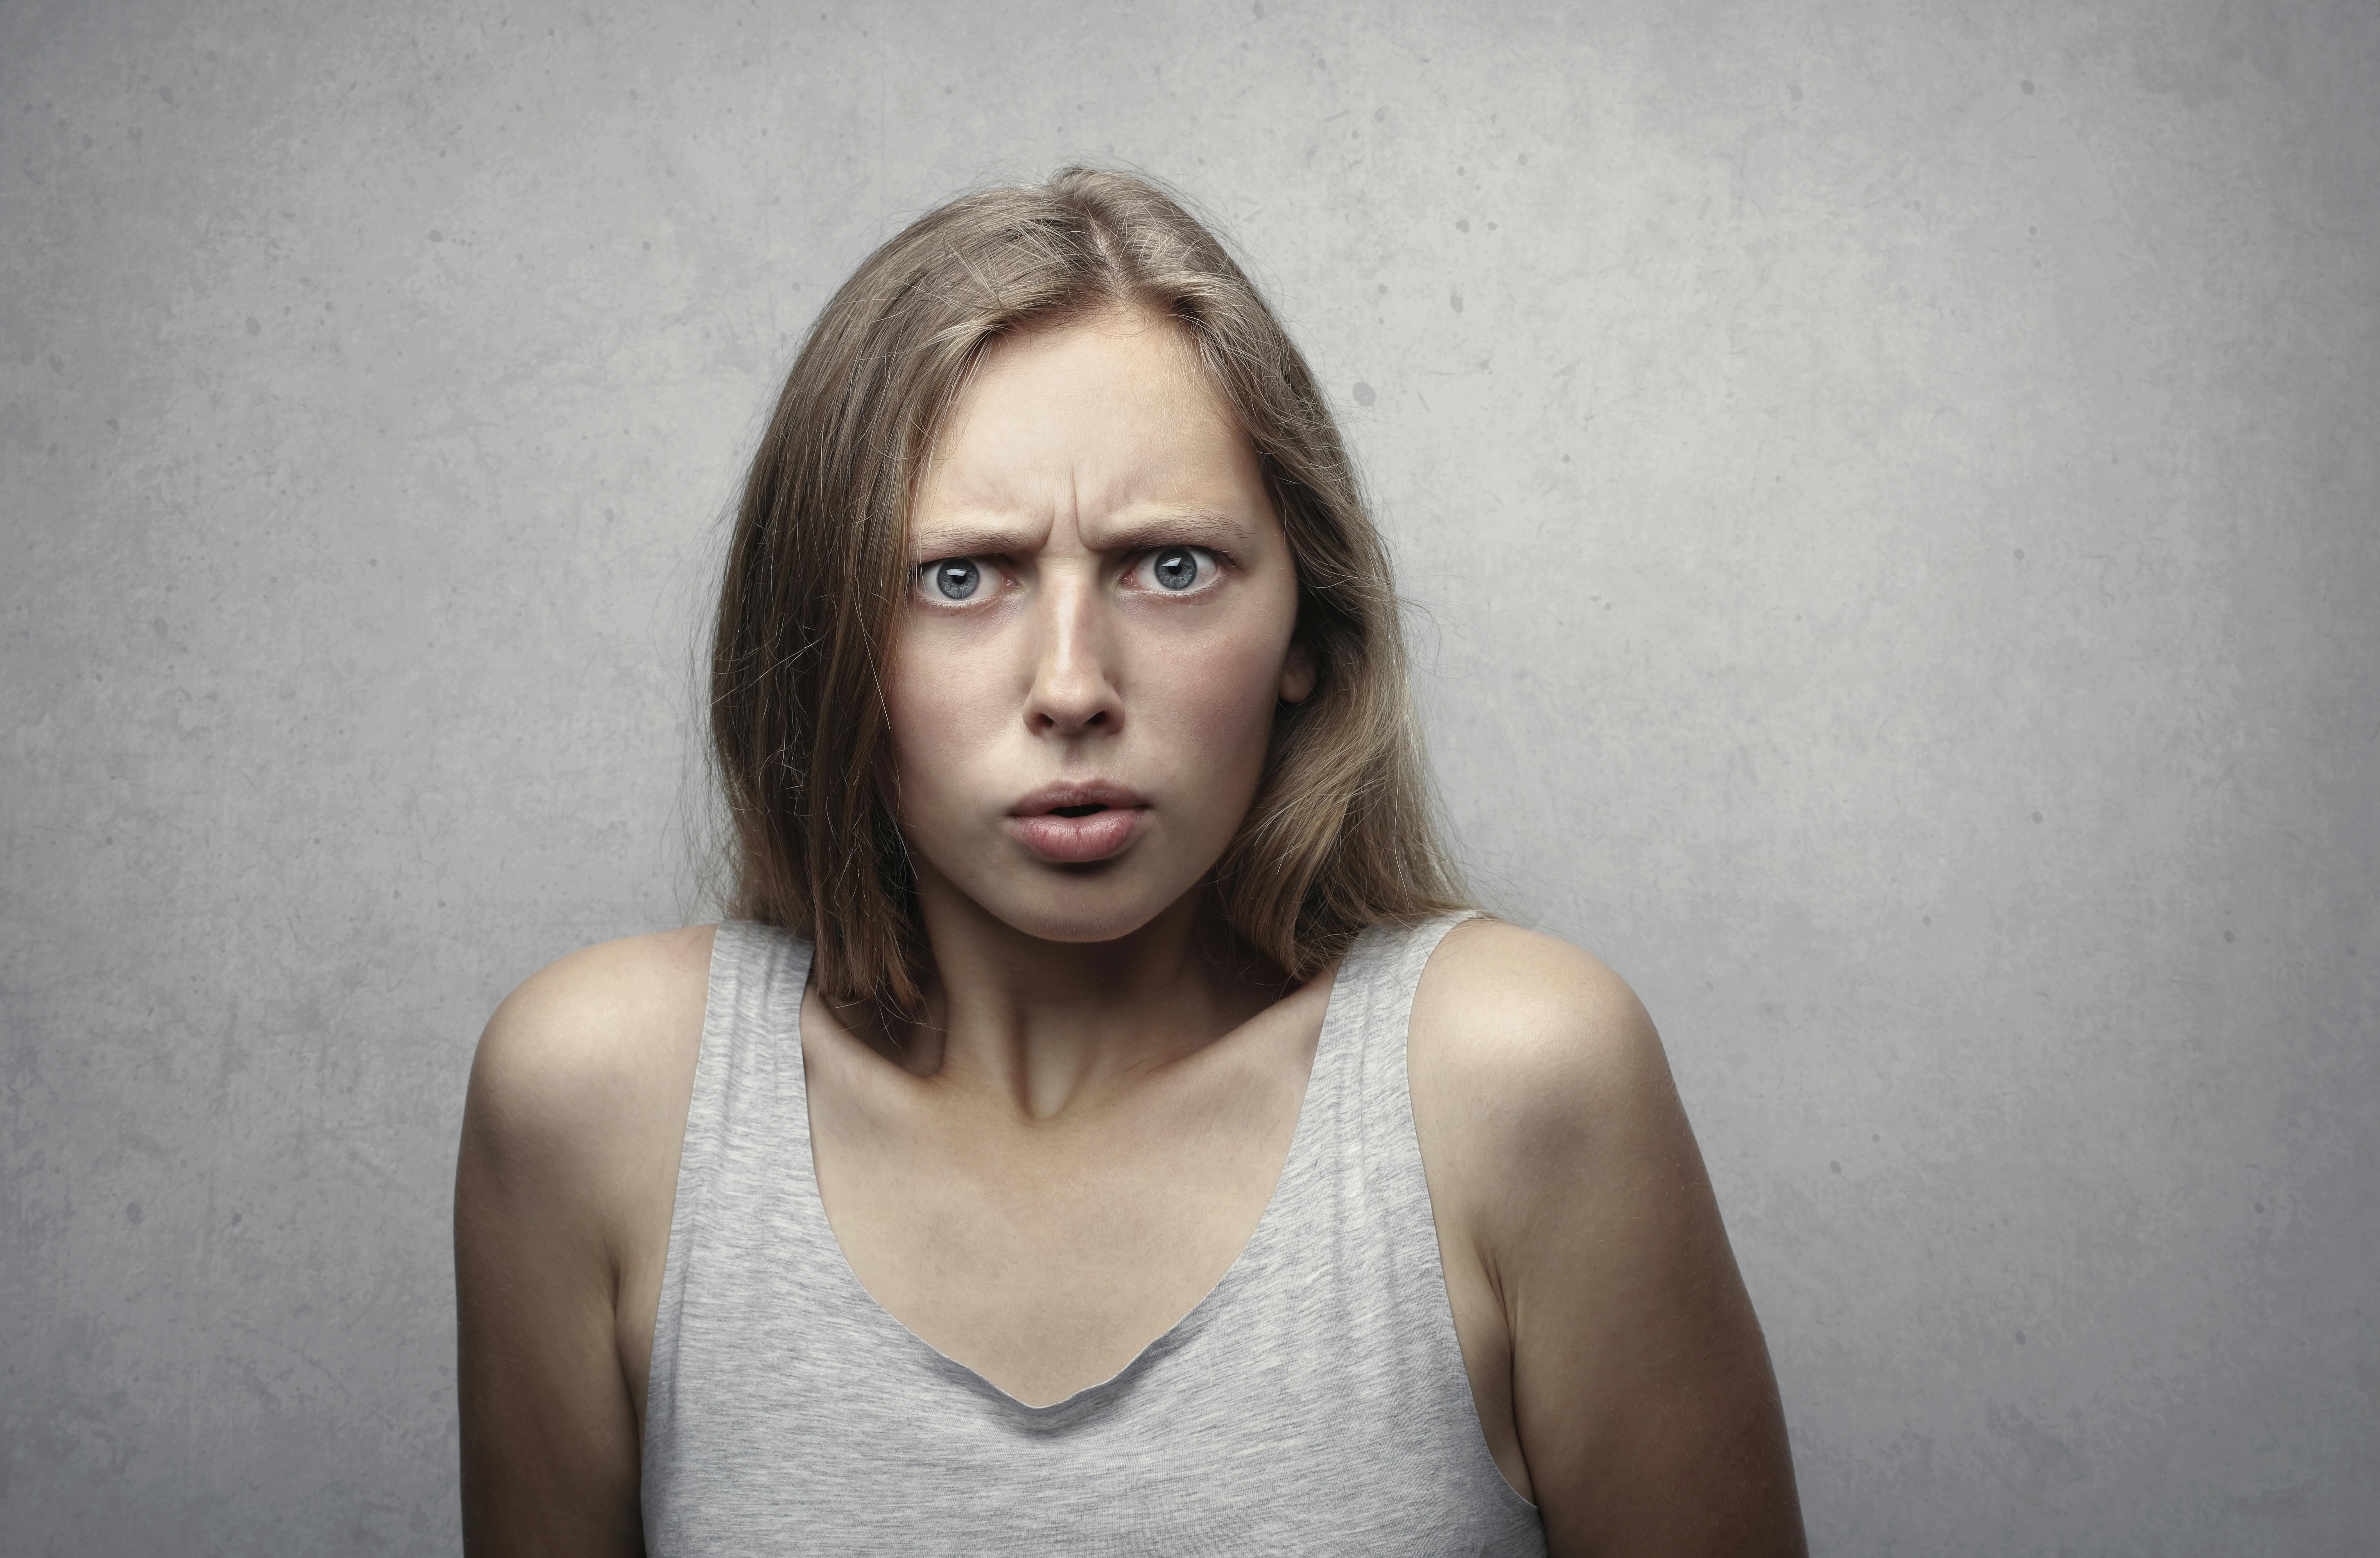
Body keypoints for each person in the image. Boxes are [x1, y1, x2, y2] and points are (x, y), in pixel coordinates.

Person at [454, 167, 1806, 1556]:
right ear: (823, 639)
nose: (1071, 686)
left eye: (1169, 568)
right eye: (960, 577)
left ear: (1306, 635)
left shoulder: (1519, 1081)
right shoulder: (602, 1107)